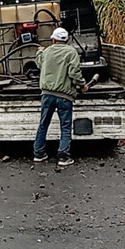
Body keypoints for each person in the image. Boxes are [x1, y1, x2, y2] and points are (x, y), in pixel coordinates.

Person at [33, 27, 88, 167]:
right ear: (67, 39)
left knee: (43, 124)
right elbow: (74, 73)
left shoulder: (47, 51)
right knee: (65, 127)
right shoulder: (71, 52)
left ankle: (38, 154)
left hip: (47, 95)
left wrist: (39, 51)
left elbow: (39, 64)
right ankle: (63, 157)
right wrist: (82, 86)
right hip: (64, 96)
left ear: (53, 39)